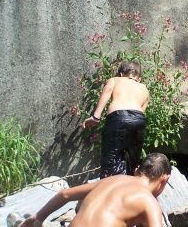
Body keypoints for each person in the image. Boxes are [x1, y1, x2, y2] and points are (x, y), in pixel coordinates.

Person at [19, 152, 171, 227]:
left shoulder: (112, 180)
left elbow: (64, 194)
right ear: (165, 179)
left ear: (137, 170)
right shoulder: (149, 202)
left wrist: (38, 216)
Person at [82, 61, 149, 178]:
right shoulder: (144, 88)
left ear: (121, 74)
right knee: (132, 162)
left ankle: (110, 184)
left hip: (119, 118)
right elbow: (142, 111)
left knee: (111, 160)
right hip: (139, 120)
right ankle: (130, 183)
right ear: (139, 78)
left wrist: (96, 117)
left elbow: (107, 91)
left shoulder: (114, 80)